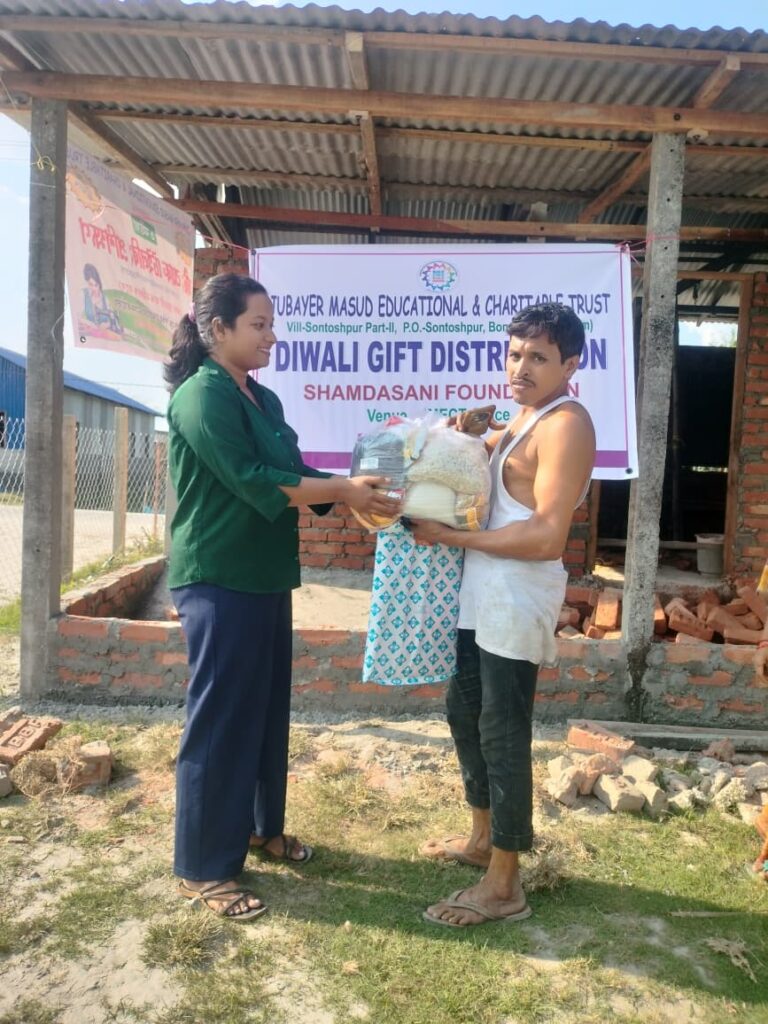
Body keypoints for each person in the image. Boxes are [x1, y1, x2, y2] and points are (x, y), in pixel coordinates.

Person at [165, 272, 399, 922]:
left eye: (272, 324)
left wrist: (355, 492)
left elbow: (295, 472)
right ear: (219, 330)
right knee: (220, 719)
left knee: (265, 711)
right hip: (218, 574)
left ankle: (260, 829)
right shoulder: (201, 396)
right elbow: (255, 479)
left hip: (265, 574)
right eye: (259, 324)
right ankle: (203, 867)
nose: (272, 336)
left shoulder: (262, 399)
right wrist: (344, 492)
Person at [410, 302, 596, 928]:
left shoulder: (566, 425)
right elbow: (474, 457)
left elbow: (545, 536)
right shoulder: (523, 417)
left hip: (518, 595)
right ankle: (482, 838)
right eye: (515, 354)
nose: (521, 367)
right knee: (464, 710)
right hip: (482, 591)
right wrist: (464, 433)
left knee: (503, 729)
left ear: (571, 365)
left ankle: (505, 884)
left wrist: (451, 537)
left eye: (538, 357)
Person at [82, 263, 123, 333]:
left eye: (96, 285)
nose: (94, 288)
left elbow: (112, 318)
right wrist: (90, 324)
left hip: (105, 336)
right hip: (90, 336)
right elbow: (78, 318)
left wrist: (107, 325)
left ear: (99, 284)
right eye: (90, 284)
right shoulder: (84, 296)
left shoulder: (105, 300)